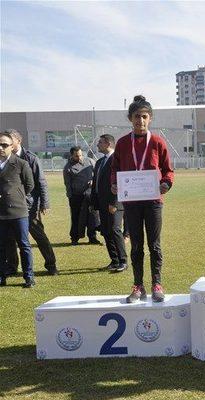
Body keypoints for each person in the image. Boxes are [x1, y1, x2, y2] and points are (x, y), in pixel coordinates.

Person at [111, 95, 174, 303]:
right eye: (137, 116)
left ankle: (157, 284)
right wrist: (114, 183)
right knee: (136, 245)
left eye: (145, 116)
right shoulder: (121, 143)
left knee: (154, 245)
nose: (141, 121)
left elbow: (168, 170)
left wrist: (166, 183)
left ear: (151, 118)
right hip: (132, 202)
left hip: (153, 202)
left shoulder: (157, 142)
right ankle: (138, 286)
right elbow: (115, 169)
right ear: (130, 118)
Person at [3, 129, 58, 276]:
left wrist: (45, 204)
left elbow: (41, 183)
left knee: (39, 237)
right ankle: (12, 267)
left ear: (18, 141)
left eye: (9, 140)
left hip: (29, 207)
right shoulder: (3, 159)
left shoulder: (31, 158)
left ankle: (51, 265)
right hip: (9, 208)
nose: (4, 144)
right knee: (10, 239)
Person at [0, 132, 35, 288]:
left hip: (18, 211)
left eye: (4, 145)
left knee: (24, 245)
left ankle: (29, 277)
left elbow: (29, 185)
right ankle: (2, 277)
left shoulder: (21, 163)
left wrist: (17, 196)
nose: (1, 148)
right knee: (1, 247)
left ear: (12, 146)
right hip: (1, 213)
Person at [91, 134, 127, 273]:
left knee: (115, 230)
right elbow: (96, 184)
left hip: (115, 203)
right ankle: (114, 260)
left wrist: (114, 203)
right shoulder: (100, 162)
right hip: (102, 203)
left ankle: (123, 261)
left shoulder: (117, 160)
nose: (98, 144)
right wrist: (94, 203)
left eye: (100, 142)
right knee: (106, 231)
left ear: (108, 144)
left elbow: (120, 183)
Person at [63, 146, 101, 245]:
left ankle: (92, 238)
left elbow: (97, 174)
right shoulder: (68, 167)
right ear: (71, 155)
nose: (79, 157)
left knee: (91, 217)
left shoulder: (90, 161)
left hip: (90, 195)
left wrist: (94, 181)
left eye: (80, 155)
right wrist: (70, 196)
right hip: (76, 196)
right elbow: (67, 183)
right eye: (76, 156)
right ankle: (74, 238)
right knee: (76, 217)